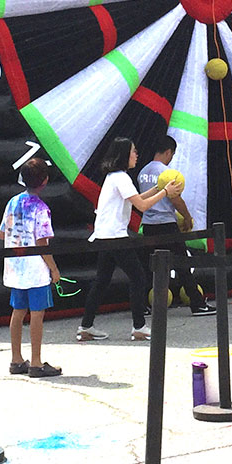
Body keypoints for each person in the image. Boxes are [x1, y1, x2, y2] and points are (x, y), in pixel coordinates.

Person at [77, 137, 181, 342]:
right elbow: (142, 207)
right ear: (125, 155)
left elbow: (139, 199)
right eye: (133, 151)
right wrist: (166, 193)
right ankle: (139, 326)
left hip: (105, 234)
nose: (136, 155)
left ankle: (86, 326)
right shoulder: (121, 177)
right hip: (114, 236)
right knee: (138, 276)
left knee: (102, 280)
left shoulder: (115, 176)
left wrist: (161, 188)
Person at [137, 135, 215, 317]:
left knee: (149, 267)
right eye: (172, 154)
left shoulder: (142, 172)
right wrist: (187, 217)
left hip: (148, 225)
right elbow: (175, 199)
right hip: (166, 224)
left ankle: (142, 306)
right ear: (168, 152)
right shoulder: (167, 174)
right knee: (182, 265)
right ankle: (197, 304)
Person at [0, 157, 63, 377]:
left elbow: (1, 233)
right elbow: (42, 242)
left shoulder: (12, 203)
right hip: (35, 270)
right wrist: (54, 269)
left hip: (15, 268)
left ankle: (16, 359)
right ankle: (36, 362)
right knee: (37, 314)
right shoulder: (41, 209)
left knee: (18, 311)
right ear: (44, 181)